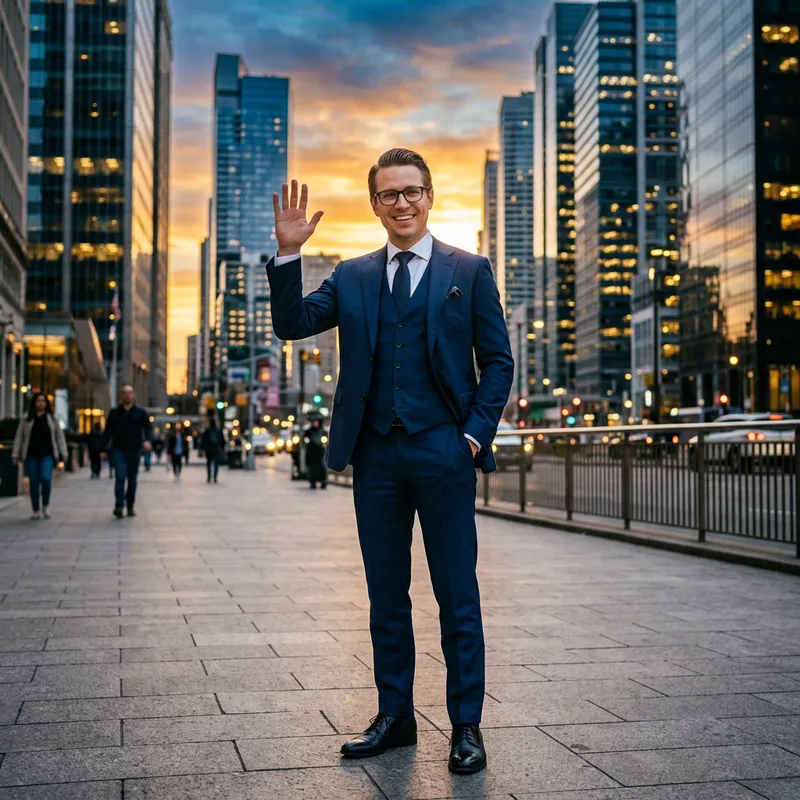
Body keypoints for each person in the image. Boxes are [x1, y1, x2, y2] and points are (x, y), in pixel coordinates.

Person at [267, 150, 513, 775]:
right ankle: (395, 716)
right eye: (388, 195)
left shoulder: (471, 269)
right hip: (375, 455)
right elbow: (293, 324)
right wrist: (289, 253)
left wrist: (474, 437)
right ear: (374, 204)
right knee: (385, 594)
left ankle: (466, 726)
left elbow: (498, 362)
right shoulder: (351, 275)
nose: (401, 204)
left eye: (411, 192)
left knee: (458, 593)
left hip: (444, 451)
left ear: (430, 197)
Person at [11, 392, 68, 520]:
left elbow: (60, 437)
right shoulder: (27, 418)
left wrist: (63, 453)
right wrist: (15, 454)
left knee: (46, 478)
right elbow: (19, 437)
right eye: (38, 401)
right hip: (31, 455)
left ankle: (45, 505)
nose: (41, 403)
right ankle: (35, 509)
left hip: (47, 454)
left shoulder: (51, 419)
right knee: (34, 482)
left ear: (46, 403)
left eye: (43, 401)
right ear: (34, 403)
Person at [102, 383, 153, 518]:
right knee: (120, 477)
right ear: (121, 395)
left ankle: (130, 506)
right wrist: (103, 448)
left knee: (132, 480)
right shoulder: (114, 413)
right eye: (124, 392)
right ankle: (119, 505)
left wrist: (147, 441)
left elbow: (148, 428)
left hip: (135, 450)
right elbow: (107, 432)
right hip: (118, 450)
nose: (127, 395)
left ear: (134, 395)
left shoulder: (140, 412)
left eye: (129, 392)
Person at [303, 418, 328, 489]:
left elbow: (325, 441)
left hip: (320, 451)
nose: (315, 424)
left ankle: (323, 481)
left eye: (317, 422)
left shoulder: (322, 431)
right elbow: (305, 439)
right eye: (314, 422)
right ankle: (313, 482)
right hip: (312, 451)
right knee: (312, 468)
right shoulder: (309, 431)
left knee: (322, 467)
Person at [200, 419, 224, 483]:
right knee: (216, 464)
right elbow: (222, 441)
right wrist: (222, 448)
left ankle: (209, 477)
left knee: (209, 463)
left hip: (209, 450)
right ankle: (215, 478)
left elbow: (203, 441)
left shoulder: (207, 431)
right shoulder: (218, 431)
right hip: (216, 449)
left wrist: (203, 449)